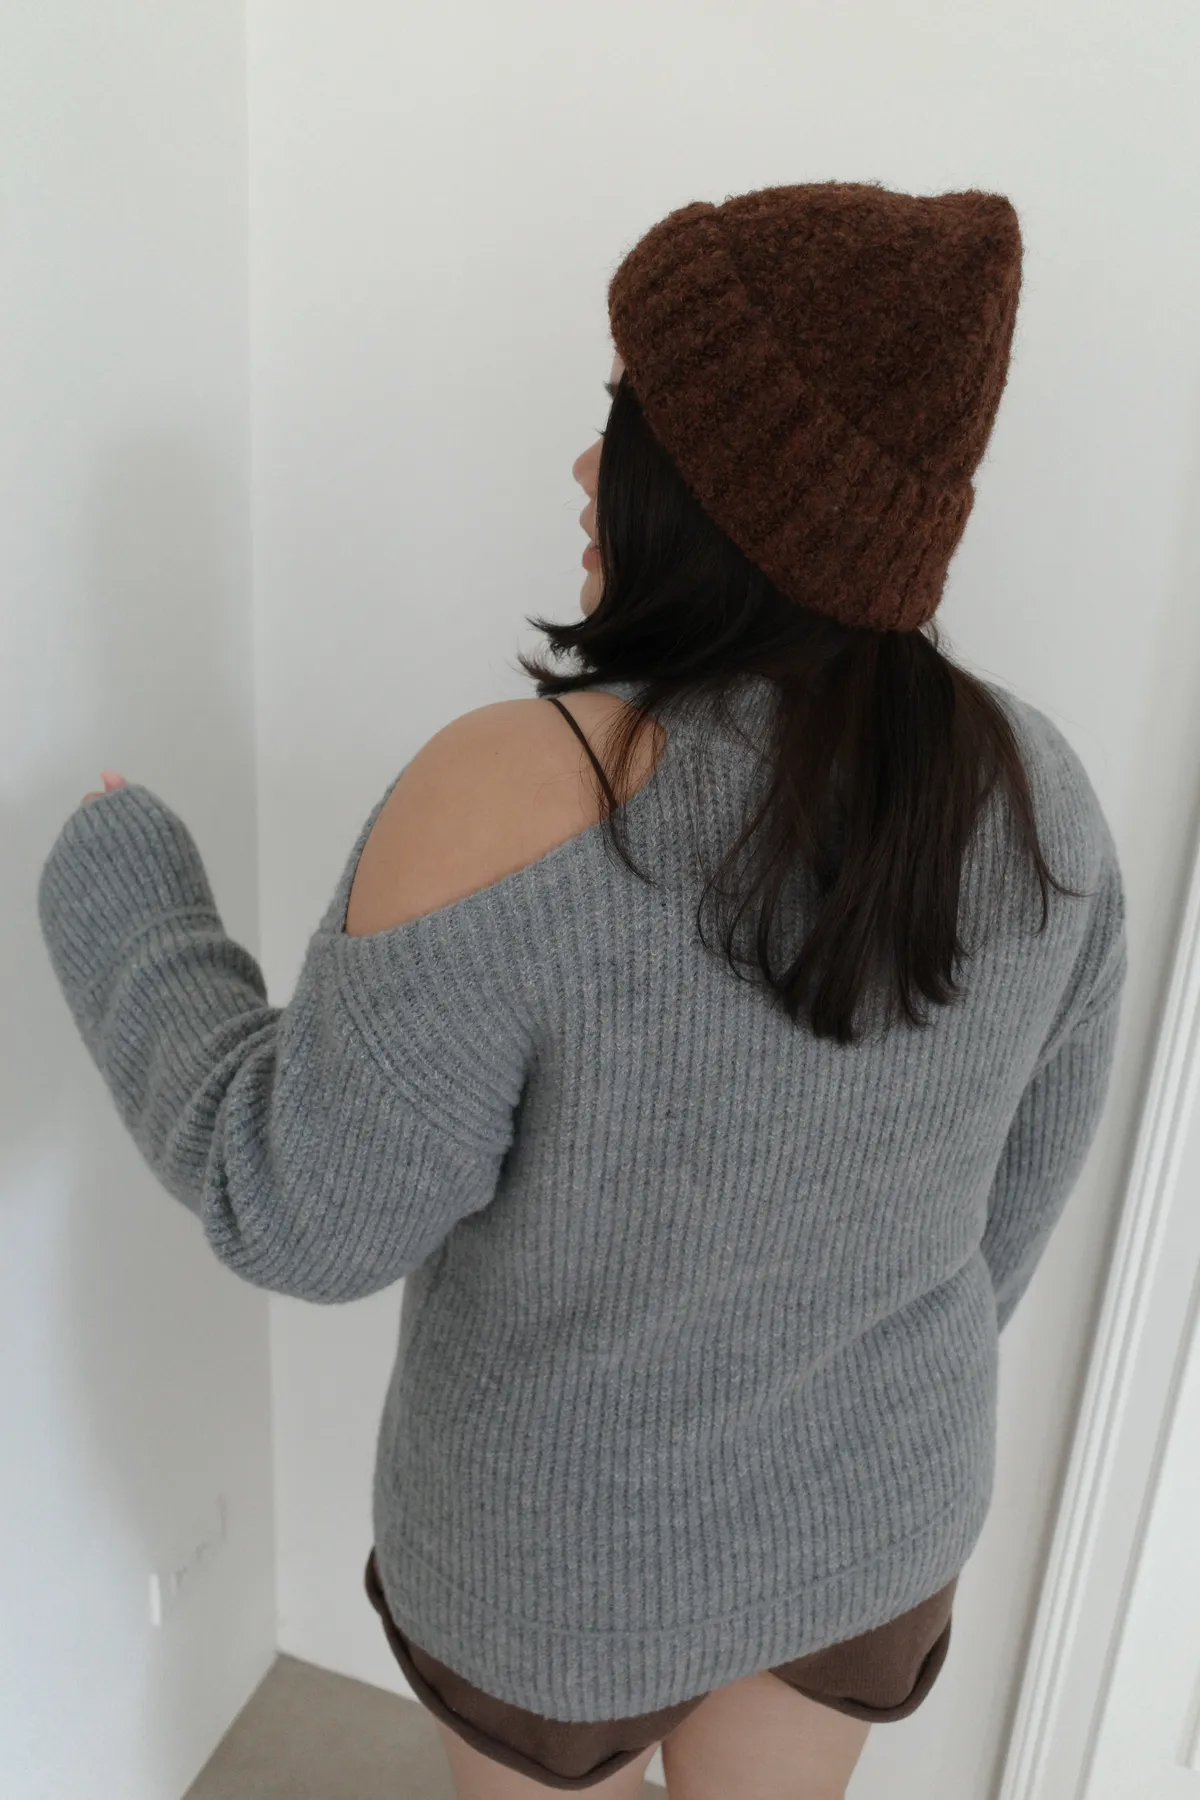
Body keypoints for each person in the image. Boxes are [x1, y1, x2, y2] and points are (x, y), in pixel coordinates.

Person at [38, 182, 1127, 1800]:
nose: (580, 467)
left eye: (621, 415)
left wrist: (125, 888)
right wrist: (829, 1368)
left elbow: (296, 1210)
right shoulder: (1037, 792)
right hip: (871, 1517)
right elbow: (1015, 1204)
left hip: (562, 1564)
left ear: (720, 483)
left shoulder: (524, 792)